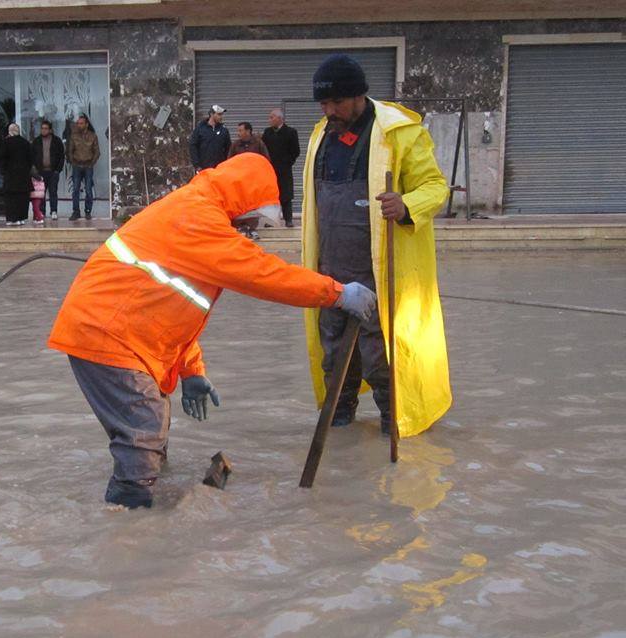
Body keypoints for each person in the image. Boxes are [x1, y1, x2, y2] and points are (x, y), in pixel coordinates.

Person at [48, 153, 376, 510]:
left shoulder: (195, 210)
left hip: (120, 333)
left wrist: (191, 370)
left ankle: (149, 501)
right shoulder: (198, 217)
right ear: (244, 201)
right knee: (144, 428)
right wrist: (336, 293)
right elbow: (262, 274)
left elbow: (177, 306)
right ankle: (129, 520)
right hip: (107, 334)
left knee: (149, 429)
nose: (249, 230)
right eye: (251, 220)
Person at [301, 54, 451, 438]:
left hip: (378, 270)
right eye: (323, 103)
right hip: (330, 270)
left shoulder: (400, 132)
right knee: (334, 353)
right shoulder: (321, 135)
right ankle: (339, 421)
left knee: (380, 355)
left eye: (336, 102)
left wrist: (406, 204)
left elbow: (435, 187)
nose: (328, 111)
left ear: (358, 96)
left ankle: (393, 421)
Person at [262, 109, 301, 228]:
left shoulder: (290, 132)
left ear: (279, 118)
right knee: (271, 196)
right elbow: (263, 149)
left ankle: (288, 219)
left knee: (286, 195)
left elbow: (296, 151)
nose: (270, 120)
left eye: (272, 117)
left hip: (284, 169)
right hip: (271, 169)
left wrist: (288, 162)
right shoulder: (267, 132)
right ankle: (272, 220)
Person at [0, 123, 33, 226]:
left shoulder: (6, 142)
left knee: (11, 198)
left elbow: (2, 157)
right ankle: (21, 218)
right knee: (22, 197)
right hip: (23, 176)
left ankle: (12, 219)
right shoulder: (25, 143)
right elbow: (30, 159)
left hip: (11, 176)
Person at [67, 113, 100, 220]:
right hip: (77, 165)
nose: (79, 125)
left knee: (89, 190)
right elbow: (70, 151)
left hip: (88, 166)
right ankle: (76, 211)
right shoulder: (74, 136)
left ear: (86, 124)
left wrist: (91, 163)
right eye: (78, 123)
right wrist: (73, 162)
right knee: (75, 189)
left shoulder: (93, 136)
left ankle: (88, 211)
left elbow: (97, 152)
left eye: (81, 123)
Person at [31, 119, 65, 219]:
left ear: (50, 130)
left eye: (46, 128)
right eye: (42, 128)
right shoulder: (36, 141)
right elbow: (32, 156)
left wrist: (58, 170)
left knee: (53, 192)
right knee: (41, 193)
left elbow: (61, 156)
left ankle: (54, 211)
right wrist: (35, 170)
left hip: (53, 171)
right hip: (40, 172)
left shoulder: (56, 141)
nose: (43, 130)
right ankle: (42, 211)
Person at [189, 104, 230, 172]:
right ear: (211, 114)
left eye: (221, 115)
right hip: (203, 168)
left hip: (219, 169)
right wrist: (197, 165)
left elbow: (228, 148)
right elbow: (193, 146)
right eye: (219, 114)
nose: (221, 117)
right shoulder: (200, 128)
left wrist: (226, 164)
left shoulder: (224, 130)